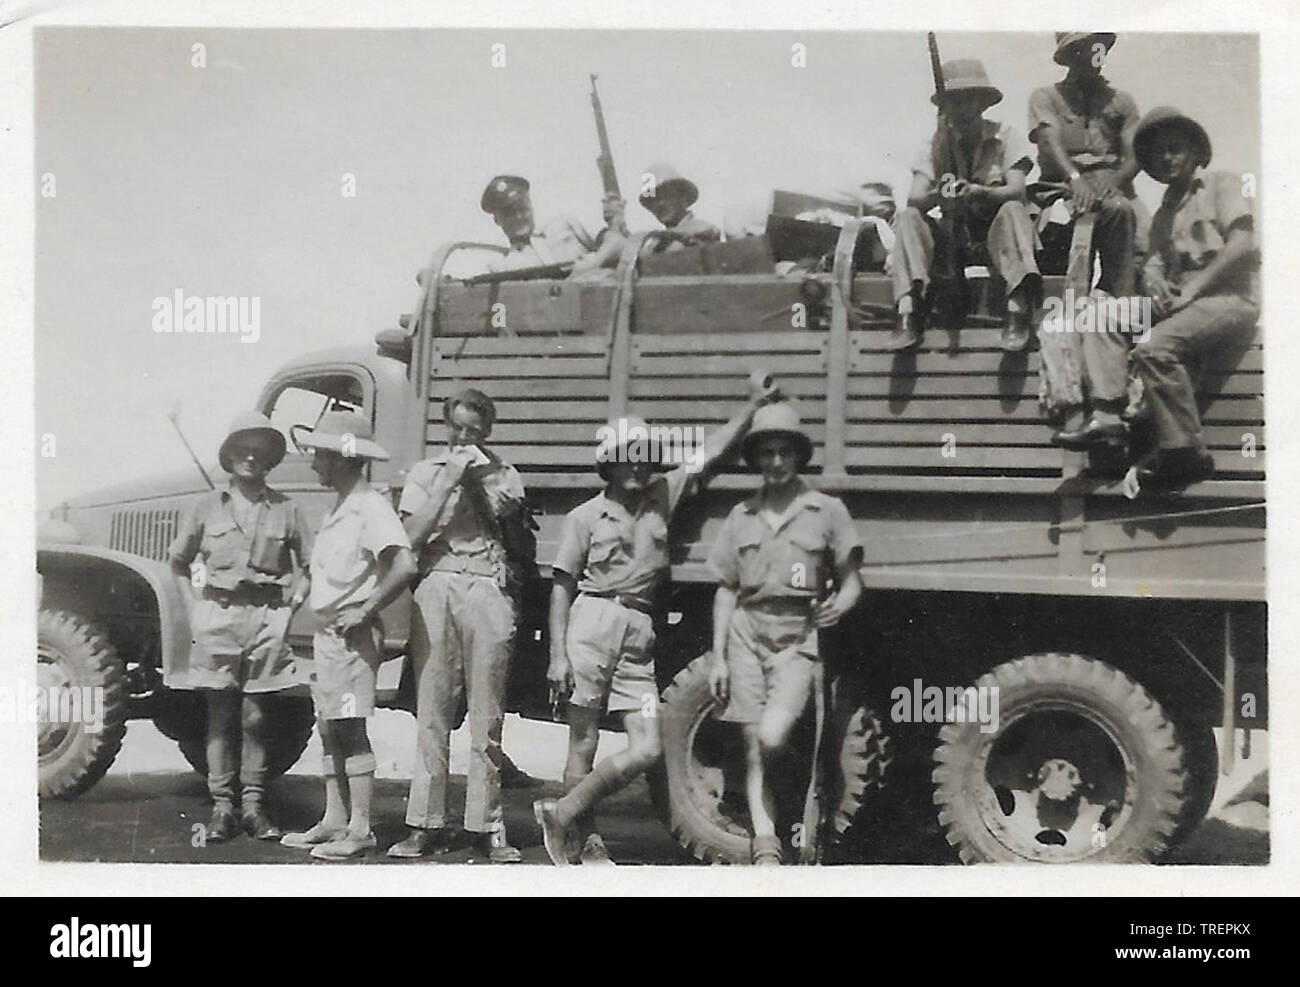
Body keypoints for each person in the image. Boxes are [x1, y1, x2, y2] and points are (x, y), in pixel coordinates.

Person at [533, 377, 781, 866]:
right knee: (582, 739)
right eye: (630, 454)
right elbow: (562, 585)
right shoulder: (585, 517)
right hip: (591, 624)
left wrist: (751, 407)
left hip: (639, 632)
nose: (640, 462)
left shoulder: (664, 494)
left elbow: (708, 455)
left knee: (647, 746)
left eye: (646, 454)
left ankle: (562, 811)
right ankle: (584, 840)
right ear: (609, 461)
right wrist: (557, 655)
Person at [705, 401, 864, 865]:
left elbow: (852, 580)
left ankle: (791, 806)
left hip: (797, 637)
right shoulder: (742, 515)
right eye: (767, 453)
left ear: (797, 457)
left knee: (775, 737)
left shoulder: (825, 510)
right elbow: (725, 590)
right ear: (756, 459)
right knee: (755, 744)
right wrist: (717, 656)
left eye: (784, 452)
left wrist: (841, 604)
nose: (775, 462)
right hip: (745, 634)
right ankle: (765, 838)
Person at [388, 388, 532, 862]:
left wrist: (483, 487)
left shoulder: (505, 475)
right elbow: (409, 537)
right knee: (432, 712)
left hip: (488, 587)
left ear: (487, 431)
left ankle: (488, 826)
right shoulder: (426, 473)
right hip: (438, 585)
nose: (465, 437)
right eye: (458, 428)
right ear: (446, 427)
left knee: (487, 717)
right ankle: (424, 824)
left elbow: (513, 537)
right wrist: (451, 480)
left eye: (474, 430)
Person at [168, 412, 312, 844]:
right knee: (220, 715)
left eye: (260, 451)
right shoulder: (205, 507)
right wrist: (195, 609)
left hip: (267, 620)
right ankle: (222, 809)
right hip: (218, 617)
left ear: (269, 460)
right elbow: (177, 564)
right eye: (242, 449)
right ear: (229, 456)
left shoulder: (287, 509)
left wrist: (292, 605)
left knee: (255, 716)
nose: (250, 457)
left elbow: (308, 566)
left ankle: (253, 806)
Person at [279, 412, 416, 859]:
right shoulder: (340, 507)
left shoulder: (370, 507)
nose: (314, 461)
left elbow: (403, 566)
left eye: (320, 453)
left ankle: (361, 830)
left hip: (353, 639)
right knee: (329, 728)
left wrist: (365, 609)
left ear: (341, 457)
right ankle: (335, 820)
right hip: (330, 638)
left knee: (350, 730)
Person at [1128, 107, 1259, 489]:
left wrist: (1190, 289)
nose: (1167, 158)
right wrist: (1155, 285)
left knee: (1154, 349)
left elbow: (1241, 245)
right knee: (1102, 319)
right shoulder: (1163, 214)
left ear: (1195, 152)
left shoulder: (1223, 183)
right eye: (1158, 153)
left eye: (1175, 148)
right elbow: (1152, 261)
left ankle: (1184, 452)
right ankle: (1111, 419)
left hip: (1229, 298)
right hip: (1187, 305)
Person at [1030, 32, 1149, 446]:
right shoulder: (1045, 96)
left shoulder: (1122, 101)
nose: (1094, 57)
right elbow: (1048, 141)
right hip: (1061, 185)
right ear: (1068, 57)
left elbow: (1134, 155)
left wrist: (1110, 184)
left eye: (1100, 49)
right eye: (1084, 50)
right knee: (1060, 241)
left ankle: (1120, 309)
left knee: (1137, 238)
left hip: (1111, 186)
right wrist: (1075, 179)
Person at [889, 59, 1041, 352]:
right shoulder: (935, 143)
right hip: (950, 238)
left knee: (1013, 210)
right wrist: (941, 193)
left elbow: (1016, 191)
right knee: (908, 216)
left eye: (967, 100)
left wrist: (978, 192)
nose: (960, 108)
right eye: (953, 101)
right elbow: (915, 198)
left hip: (996, 237)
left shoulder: (1005, 136)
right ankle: (908, 309)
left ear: (982, 103)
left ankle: (1016, 311)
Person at [480, 174, 621, 275]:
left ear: (531, 207)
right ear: (497, 220)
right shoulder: (504, 268)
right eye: (509, 213)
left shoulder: (564, 225)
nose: (519, 217)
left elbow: (617, 240)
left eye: (523, 209)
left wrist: (593, 263)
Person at [637, 162, 721, 253]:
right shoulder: (655, 244)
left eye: (667, 195)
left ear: (683, 197)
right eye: (654, 200)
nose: (661, 203)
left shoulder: (704, 230)